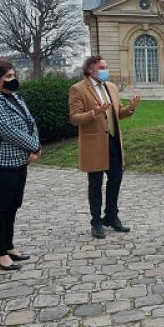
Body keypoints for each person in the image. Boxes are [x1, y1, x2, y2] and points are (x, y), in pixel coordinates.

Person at [0, 60, 41, 271]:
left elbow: (30, 122)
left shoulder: (15, 97)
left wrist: (35, 147)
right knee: (2, 206)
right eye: (7, 77)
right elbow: (7, 130)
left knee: (14, 203)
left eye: (13, 76)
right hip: (0, 162)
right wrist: (34, 146)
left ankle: (8, 245)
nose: (12, 80)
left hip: (19, 160)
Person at [69, 56, 139, 239]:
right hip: (94, 144)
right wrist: (95, 113)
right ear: (90, 69)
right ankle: (96, 221)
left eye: (106, 66)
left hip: (114, 142)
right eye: (101, 67)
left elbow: (117, 113)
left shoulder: (112, 87)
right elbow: (74, 118)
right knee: (95, 184)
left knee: (115, 179)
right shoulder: (78, 89)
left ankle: (111, 216)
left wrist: (130, 109)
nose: (105, 70)